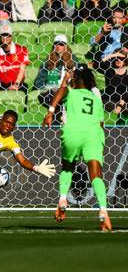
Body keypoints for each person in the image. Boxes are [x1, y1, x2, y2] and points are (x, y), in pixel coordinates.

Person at [44, 66, 112, 231]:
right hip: (93, 135)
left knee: (68, 167)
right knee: (96, 175)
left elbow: (61, 91)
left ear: (74, 80)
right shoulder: (96, 98)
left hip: (72, 133)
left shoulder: (71, 92)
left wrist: (50, 112)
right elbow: (101, 123)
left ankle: (62, 199)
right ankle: (103, 210)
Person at [34, 34, 78, 115]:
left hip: (67, 91)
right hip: (50, 92)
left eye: (61, 44)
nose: (58, 46)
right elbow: (38, 81)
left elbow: (78, 78)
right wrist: (47, 86)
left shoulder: (73, 60)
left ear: (66, 46)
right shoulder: (48, 60)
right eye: (56, 44)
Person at [0, 24, 30, 94]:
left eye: (8, 35)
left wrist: (16, 85)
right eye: (3, 35)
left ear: (11, 36)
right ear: (0, 36)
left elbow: (22, 70)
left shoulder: (22, 50)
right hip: (2, 85)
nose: (5, 37)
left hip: (18, 85)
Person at [93, 48, 128, 113]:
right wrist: (112, 55)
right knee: (104, 101)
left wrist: (119, 106)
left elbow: (126, 94)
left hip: (122, 102)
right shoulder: (110, 71)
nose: (118, 60)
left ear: (126, 61)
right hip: (108, 99)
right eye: (117, 58)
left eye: (122, 59)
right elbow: (96, 65)